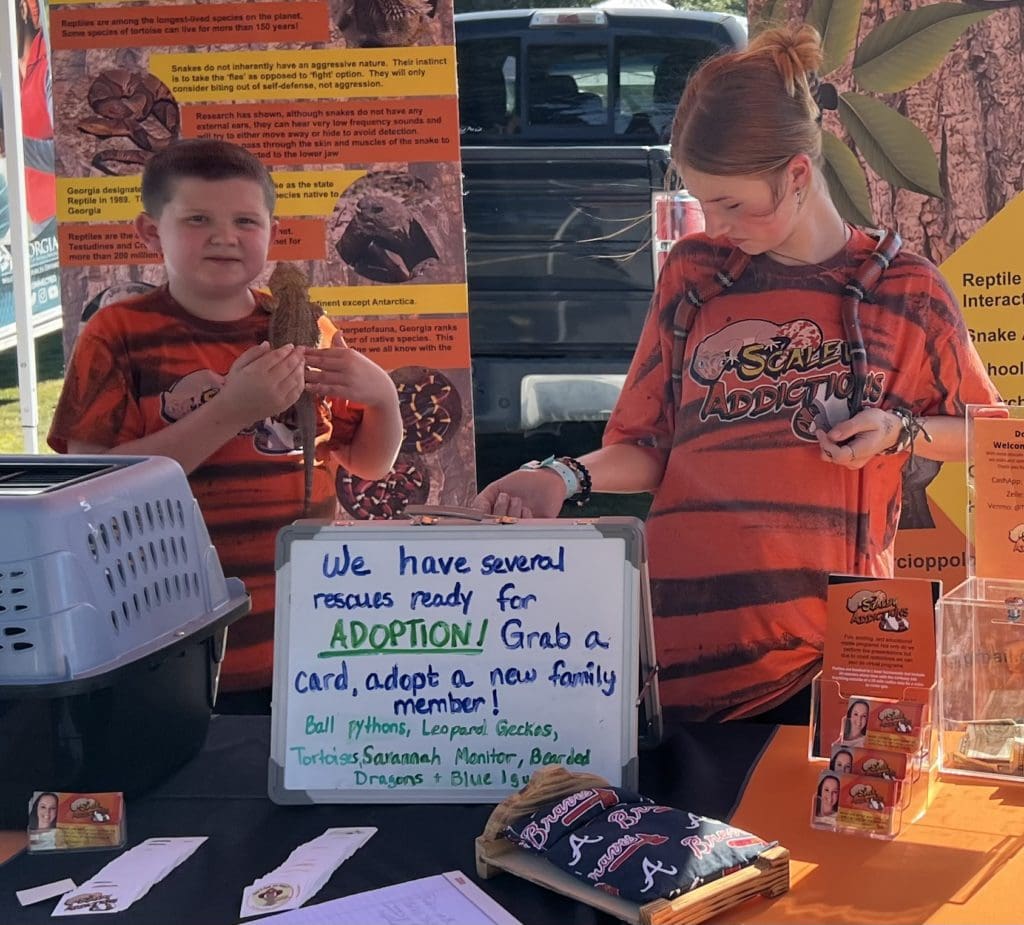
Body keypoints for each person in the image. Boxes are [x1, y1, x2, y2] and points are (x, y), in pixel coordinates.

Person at [472, 25, 1001, 723]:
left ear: (798, 174)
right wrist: (561, 475)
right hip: (672, 660)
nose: (717, 225)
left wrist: (898, 432)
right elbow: (654, 445)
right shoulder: (695, 274)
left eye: (732, 203)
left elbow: (988, 435)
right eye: (703, 202)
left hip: (827, 672)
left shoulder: (907, 292)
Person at [48, 139, 404, 702]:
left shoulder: (315, 329)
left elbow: (368, 462)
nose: (224, 236)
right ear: (149, 232)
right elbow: (86, 489)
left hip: (306, 633)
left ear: (272, 232)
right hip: (169, 633)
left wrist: (384, 397)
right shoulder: (117, 333)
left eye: (245, 220)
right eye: (197, 219)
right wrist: (231, 410)